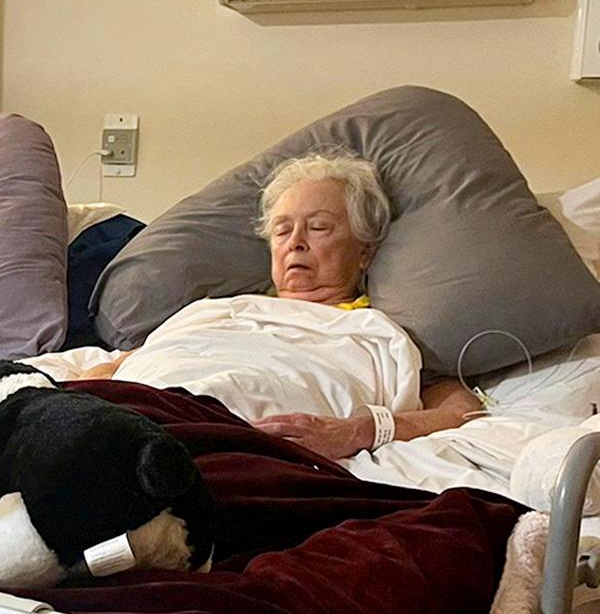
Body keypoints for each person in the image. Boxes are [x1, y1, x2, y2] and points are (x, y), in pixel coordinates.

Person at [83, 151, 478, 460]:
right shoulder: (215, 311)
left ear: (364, 251)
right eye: (282, 230)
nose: (295, 243)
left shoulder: (375, 333)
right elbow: (116, 368)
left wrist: (356, 431)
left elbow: (460, 412)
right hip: (126, 421)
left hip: (234, 446)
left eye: (319, 226)